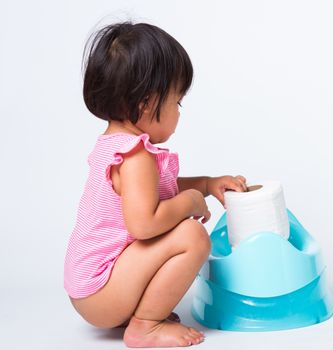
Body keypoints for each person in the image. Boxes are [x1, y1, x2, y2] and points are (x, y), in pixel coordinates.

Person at [63, 21, 248, 348]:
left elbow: (155, 192)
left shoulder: (117, 144)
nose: (178, 112)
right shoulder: (134, 158)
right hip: (100, 291)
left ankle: (139, 311)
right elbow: (144, 223)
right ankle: (145, 324)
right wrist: (191, 201)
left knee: (177, 229)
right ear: (147, 103)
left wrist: (206, 183)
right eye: (177, 102)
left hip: (94, 285)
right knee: (191, 235)